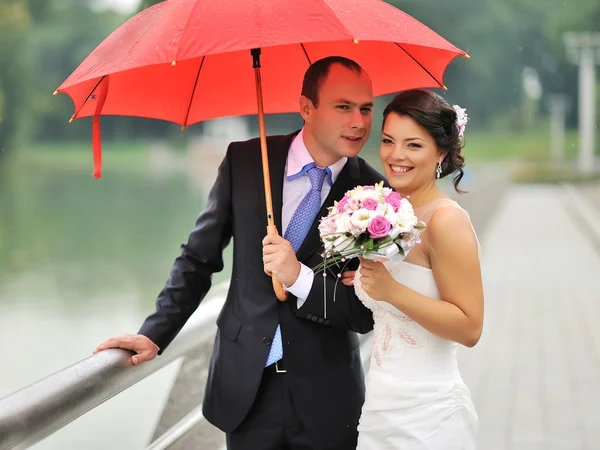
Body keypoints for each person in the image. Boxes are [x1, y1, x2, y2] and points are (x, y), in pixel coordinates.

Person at [94, 56, 386, 450]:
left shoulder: (376, 197)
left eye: (366, 109)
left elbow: (365, 312)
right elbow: (198, 260)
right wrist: (154, 334)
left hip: (327, 396)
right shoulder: (247, 162)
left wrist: (299, 277)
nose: (359, 122)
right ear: (306, 108)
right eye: (343, 107)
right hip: (246, 387)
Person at [342, 89, 484, 449]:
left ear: (440, 152)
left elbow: (470, 327)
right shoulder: (387, 215)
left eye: (413, 145)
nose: (395, 156)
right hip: (379, 407)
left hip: (428, 415)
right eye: (388, 141)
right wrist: (361, 278)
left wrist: (393, 291)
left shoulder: (445, 222)